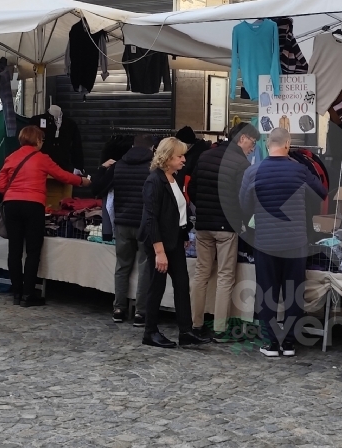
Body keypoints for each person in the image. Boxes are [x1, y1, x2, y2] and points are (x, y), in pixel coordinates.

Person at [239, 127, 329, 357]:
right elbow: (321, 192)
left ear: (268, 145)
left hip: (265, 241)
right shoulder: (299, 170)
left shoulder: (253, 172)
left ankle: (270, 343)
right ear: (287, 144)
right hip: (296, 242)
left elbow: (244, 206)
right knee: (293, 294)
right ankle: (288, 343)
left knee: (267, 292)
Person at [0, 125, 89, 307]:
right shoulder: (42, 159)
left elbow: (0, 186)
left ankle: (16, 293)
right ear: (37, 140)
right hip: (33, 206)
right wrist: (82, 181)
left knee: (14, 250)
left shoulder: (11, 158)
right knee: (33, 251)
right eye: (42, 139)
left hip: (11, 205)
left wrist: (14, 191)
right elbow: (62, 176)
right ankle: (28, 295)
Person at [188, 122, 259, 342]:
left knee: (201, 274)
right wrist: (244, 221)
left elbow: (192, 188)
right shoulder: (241, 163)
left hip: (203, 225)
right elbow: (244, 198)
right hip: (227, 227)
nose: (253, 148)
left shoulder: (205, 156)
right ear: (243, 138)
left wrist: (203, 211)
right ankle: (220, 329)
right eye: (253, 143)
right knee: (225, 277)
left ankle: (195, 324)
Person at [139, 137, 206, 349]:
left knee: (181, 284)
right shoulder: (154, 181)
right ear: (167, 157)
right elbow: (150, 218)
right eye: (179, 156)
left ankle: (185, 330)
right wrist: (159, 250)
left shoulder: (173, 178)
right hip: (159, 243)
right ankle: (150, 331)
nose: (184, 159)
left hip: (175, 240)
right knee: (156, 287)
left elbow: (177, 212)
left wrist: (184, 236)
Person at [109, 134, 157, 326]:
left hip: (122, 222)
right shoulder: (152, 168)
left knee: (122, 266)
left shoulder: (118, 165)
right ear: (152, 149)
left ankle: (119, 308)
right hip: (143, 223)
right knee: (145, 266)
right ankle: (140, 312)